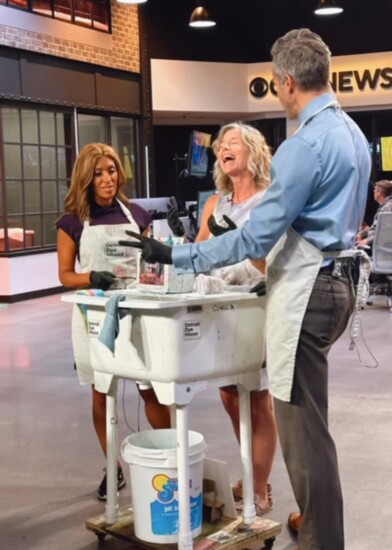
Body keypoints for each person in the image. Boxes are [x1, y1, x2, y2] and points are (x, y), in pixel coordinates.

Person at [119, 29, 372, 550]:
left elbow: (257, 238)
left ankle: (325, 539)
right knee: (312, 427)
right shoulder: (351, 133)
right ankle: (320, 524)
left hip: (309, 290)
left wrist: (176, 253)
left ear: (284, 82)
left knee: (303, 434)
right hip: (340, 284)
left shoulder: (306, 143)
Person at [56, 143, 171, 501]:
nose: (108, 179)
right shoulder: (72, 221)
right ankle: (114, 467)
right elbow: (64, 275)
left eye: (112, 171)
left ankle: (168, 457)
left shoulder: (137, 214)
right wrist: (92, 278)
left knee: (148, 387)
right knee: (101, 392)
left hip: (138, 311)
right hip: (95, 314)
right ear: (86, 178)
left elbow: (153, 265)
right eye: (100, 173)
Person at [196, 122, 277, 515]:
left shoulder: (269, 201)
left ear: (254, 152)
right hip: (219, 313)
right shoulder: (215, 204)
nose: (224, 149)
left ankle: (259, 490)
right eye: (221, 146)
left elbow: (272, 258)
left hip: (255, 309)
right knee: (230, 398)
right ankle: (253, 473)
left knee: (258, 400)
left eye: (234, 143)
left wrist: (241, 270)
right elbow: (198, 251)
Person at [356, 179, 392, 252]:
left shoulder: (387, 209)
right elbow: (376, 229)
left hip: (381, 248)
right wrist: (362, 234)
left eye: (375, 190)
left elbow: (384, 233)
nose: (374, 192)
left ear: (379, 192)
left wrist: (366, 241)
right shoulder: (384, 207)